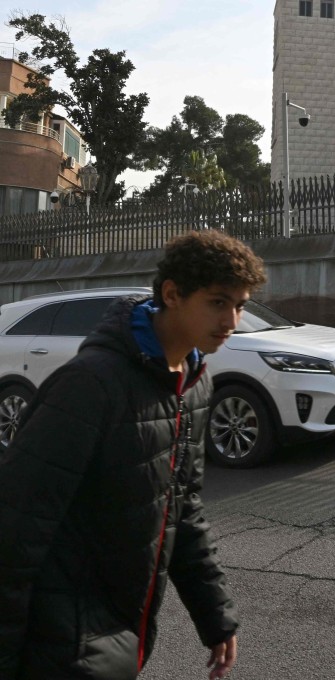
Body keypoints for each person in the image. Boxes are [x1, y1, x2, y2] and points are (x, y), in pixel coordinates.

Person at [0, 230, 267, 680]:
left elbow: (182, 510)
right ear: (172, 294)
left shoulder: (195, 383)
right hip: (63, 638)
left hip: (126, 627)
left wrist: (214, 615)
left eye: (239, 305)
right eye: (218, 302)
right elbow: (17, 525)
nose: (232, 320)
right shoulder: (91, 383)